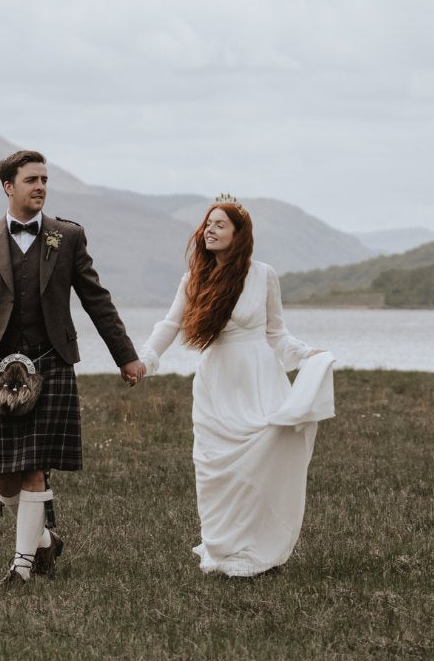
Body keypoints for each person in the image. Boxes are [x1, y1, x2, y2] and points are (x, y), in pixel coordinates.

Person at [0, 150, 146, 589]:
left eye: (44, 180)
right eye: (31, 180)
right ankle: (44, 539)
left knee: (35, 467)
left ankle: (21, 569)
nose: (40, 187)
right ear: (8, 186)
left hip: (51, 363)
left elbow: (97, 299)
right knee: (0, 471)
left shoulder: (67, 236)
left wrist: (125, 355)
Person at [138, 194, 336, 577]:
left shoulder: (263, 275)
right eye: (207, 224)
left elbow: (276, 332)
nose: (209, 230)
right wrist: (146, 360)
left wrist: (307, 354)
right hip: (217, 381)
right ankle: (225, 550)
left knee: (262, 463)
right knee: (215, 468)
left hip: (260, 378)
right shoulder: (194, 278)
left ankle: (262, 552)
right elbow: (170, 325)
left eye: (219, 225)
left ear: (239, 234)